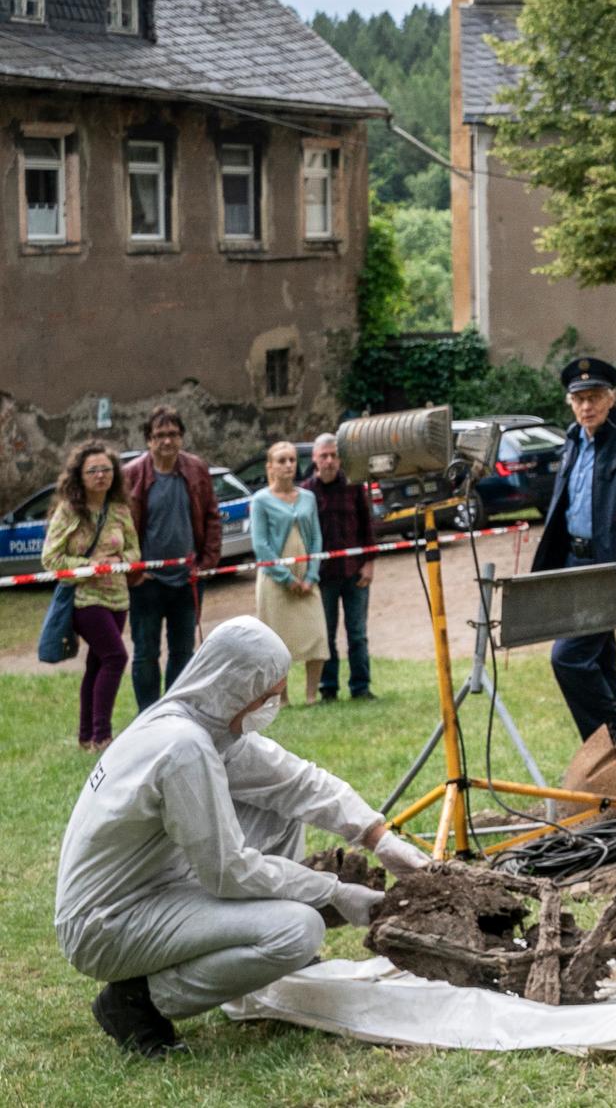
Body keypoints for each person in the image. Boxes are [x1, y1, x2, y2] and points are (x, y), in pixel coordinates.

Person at [54, 616, 428, 1058]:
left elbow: (295, 783)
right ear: (234, 687)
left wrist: (378, 837)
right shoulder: (183, 748)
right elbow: (228, 872)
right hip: (106, 924)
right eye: (268, 696)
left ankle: (267, 964)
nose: (273, 705)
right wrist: (332, 892)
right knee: (298, 929)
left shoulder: (199, 725)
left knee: (279, 808)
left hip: (149, 886)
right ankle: (137, 1002)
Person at [533, 356, 616, 742]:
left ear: (611, 398)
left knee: (568, 657)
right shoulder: (573, 437)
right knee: (600, 657)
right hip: (573, 560)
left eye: (594, 398)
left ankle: (609, 742)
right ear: (570, 403)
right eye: (579, 399)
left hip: (608, 564)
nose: (586, 407)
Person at [44, 442, 140, 752]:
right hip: (84, 598)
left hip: (118, 598)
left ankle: (86, 736)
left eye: (106, 469)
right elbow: (51, 558)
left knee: (97, 663)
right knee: (116, 657)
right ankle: (102, 736)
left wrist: (119, 559)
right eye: (93, 470)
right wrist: (90, 565)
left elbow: (134, 551)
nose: (100, 475)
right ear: (80, 476)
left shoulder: (120, 509)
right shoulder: (69, 511)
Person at [122, 407, 220, 710]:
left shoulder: (197, 469)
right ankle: (148, 716)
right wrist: (134, 574)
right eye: (160, 435)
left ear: (182, 437)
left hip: (188, 581)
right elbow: (121, 527)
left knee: (183, 652)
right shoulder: (132, 475)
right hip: (147, 583)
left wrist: (206, 564)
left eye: (173, 434)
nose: (167, 441)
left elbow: (212, 517)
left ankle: (176, 714)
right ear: (148, 440)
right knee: (146, 653)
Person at [248, 442, 328, 701]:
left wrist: (311, 576)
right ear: (270, 466)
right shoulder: (260, 500)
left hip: (306, 574)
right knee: (276, 640)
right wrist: (287, 578)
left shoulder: (308, 498)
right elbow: (260, 544)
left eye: (292, 460)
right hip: (275, 579)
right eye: (282, 461)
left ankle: (311, 696)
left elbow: (316, 538)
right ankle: (281, 699)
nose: (288, 465)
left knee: (317, 634)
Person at [301, 433, 376, 701]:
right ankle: (328, 689)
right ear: (315, 459)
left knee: (357, 633)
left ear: (340, 458)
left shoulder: (354, 486)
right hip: (323, 576)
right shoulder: (306, 492)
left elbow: (368, 526)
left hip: (355, 572)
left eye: (334, 455)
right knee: (326, 634)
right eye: (324, 456)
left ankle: (361, 687)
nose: (330, 461)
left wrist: (369, 563)